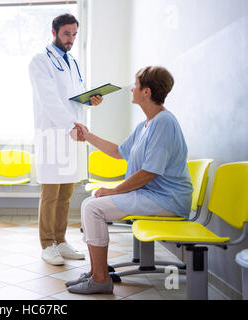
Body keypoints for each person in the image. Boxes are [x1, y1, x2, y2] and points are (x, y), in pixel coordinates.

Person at [67, 66, 193, 294]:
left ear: (146, 92)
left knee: (93, 209)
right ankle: (98, 271)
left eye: (135, 85)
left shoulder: (163, 122)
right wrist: (87, 136)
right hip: (152, 195)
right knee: (89, 204)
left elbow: (149, 172)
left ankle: (100, 278)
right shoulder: (146, 124)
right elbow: (118, 152)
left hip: (167, 200)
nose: (131, 89)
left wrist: (114, 191)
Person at [28, 13, 103, 266]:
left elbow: (74, 97)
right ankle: (46, 244)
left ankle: (60, 240)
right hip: (52, 134)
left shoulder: (73, 62)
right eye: (66, 34)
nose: (70, 39)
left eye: (74, 35)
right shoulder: (40, 61)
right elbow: (49, 100)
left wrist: (90, 100)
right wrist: (71, 125)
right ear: (54, 32)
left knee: (67, 193)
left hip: (72, 135)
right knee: (50, 193)